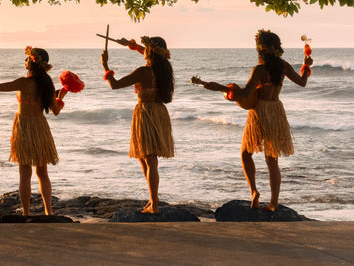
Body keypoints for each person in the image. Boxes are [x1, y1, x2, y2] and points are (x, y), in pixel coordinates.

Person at [190, 29, 309, 212]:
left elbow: (245, 93)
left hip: (260, 112)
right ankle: (273, 203)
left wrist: (219, 87)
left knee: (246, 154)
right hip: (276, 111)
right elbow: (302, 82)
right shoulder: (283, 66)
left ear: (260, 49)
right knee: (272, 161)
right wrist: (306, 67)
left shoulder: (260, 70)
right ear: (277, 48)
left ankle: (254, 192)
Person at [0, 46, 64, 217]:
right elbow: (55, 110)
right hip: (40, 129)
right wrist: (61, 96)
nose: (24, 61)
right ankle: (49, 212)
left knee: (25, 173)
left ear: (32, 62)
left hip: (23, 128)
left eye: (26, 58)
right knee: (42, 173)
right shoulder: (47, 84)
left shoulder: (24, 83)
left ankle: (26, 213)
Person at [102, 36, 175, 213]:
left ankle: (155, 205)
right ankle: (153, 198)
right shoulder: (164, 68)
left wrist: (105, 65)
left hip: (146, 113)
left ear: (150, 51)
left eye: (146, 49)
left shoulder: (143, 71)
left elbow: (115, 85)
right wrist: (132, 46)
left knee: (150, 159)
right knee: (143, 156)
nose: (144, 51)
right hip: (159, 112)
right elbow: (152, 54)